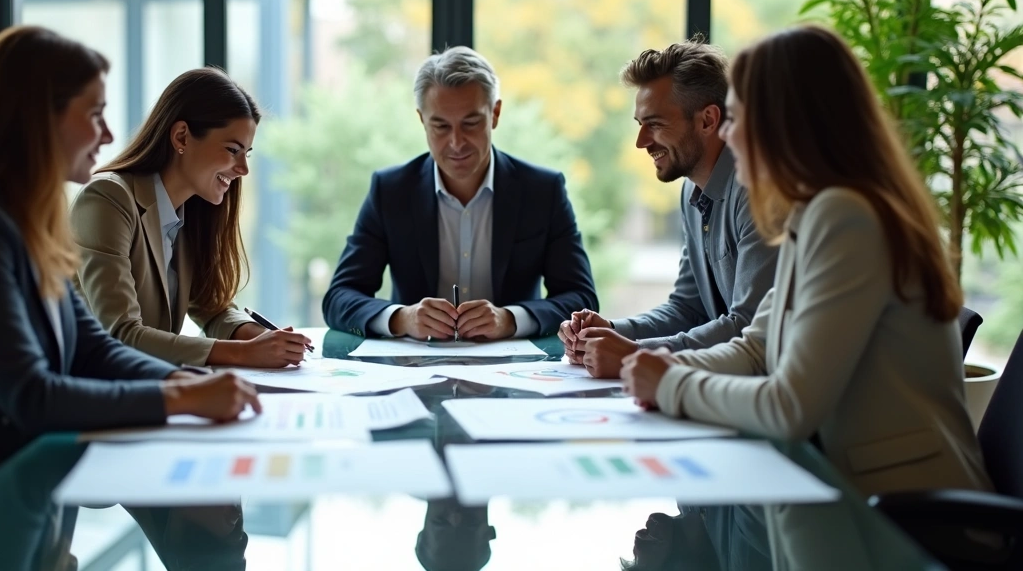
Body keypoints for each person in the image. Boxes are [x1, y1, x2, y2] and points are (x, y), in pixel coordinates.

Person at [0, 26, 261, 503]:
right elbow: (31, 395)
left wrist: (180, 379)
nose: (109, 134)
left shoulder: (25, 221)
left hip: (24, 489)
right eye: (95, 114)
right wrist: (180, 398)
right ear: (38, 118)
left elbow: (92, 347)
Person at [615, 25, 990, 498]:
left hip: (908, 516)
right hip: (849, 493)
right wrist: (654, 366)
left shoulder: (848, 217)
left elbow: (790, 406)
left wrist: (670, 383)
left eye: (735, 118)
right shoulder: (812, 213)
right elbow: (755, 347)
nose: (728, 135)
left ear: (784, 124)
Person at [322, 46, 598, 340]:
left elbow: (581, 298)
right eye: (440, 126)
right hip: (412, 375)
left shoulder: (543, 190)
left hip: (517, 374)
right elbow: (339, 297)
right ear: (421, 120)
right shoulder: (390, 191)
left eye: (471, 123)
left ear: (495, 114)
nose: (456, 142)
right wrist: (402, 318)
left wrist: (510, 319)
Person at [71, 67, 309, 368]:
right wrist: (244, 353)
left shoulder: (189, 210)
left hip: (151, 388)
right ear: (182, 136)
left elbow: (210, 307)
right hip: (98, 394)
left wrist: (259, 337)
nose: (243, 170)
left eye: (246, 153)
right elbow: (121, 334)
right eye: (232, 149)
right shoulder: (107, 199)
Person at [559, 38, 777, 367]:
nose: (641, 142)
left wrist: (634, 354)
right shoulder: (691, 193)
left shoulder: (758, 190)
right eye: (640, 125)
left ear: (707, 120)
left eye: (655, 124)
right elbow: (689, 309)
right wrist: (613, 332)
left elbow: (750, 327)